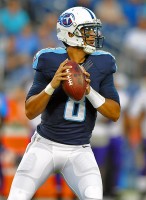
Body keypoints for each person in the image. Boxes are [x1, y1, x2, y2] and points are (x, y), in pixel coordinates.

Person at [7, 6, 120, 200]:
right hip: (44, 145)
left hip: (80, 149)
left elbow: (114, 113)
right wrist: (52, 85)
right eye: (88, 30)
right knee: (17, 196)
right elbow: (30, 111)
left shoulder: (103, 63)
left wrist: (88, 91)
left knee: (94, 196)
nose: (94, 35)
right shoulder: (49, 59)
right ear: (70, 33)